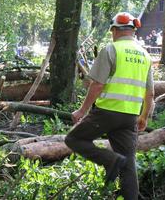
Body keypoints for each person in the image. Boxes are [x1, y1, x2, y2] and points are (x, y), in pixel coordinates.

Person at [65, 12, 154, 200]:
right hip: (130, 117)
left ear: (114, 30)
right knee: (128, 165)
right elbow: (150, 93)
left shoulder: (111, 50)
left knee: (73, 139)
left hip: (106, 113)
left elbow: (97, 84)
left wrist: (82, 111)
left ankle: (110, 160)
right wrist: (144, 116)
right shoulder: (145, 55)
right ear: (133, 31)